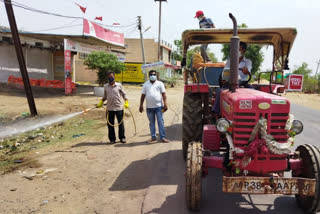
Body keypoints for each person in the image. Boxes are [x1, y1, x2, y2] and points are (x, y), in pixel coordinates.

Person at [212, 42, 252, 114]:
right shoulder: (230, 61)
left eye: (239, 50)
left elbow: (248, 70)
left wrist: (246, 70)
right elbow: (226, 72)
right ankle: (216, 112)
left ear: (244, 51)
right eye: (236, 50)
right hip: (230, 84)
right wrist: (224, 79)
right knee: (219, 91)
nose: (238, 52)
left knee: (253, 91)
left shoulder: (248, 62)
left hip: (243, 83)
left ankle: (251, 112)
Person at [97, 71, 129, 144]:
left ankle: (122, 138)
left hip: (119, 108)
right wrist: (100, 103)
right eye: (109, 76)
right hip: (109, 108)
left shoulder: (119, 85)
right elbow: (105, 96)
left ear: (114, 76)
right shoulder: (106, 86)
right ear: (107, 77)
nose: (110, 77)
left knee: (121, 124)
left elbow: (124, 94)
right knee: (110, 124)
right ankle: (112, 139)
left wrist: (126, 102)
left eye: (112, 76)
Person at [139, 70, 169, 143]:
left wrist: (165, 104)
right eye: (151, 75)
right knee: (151, 123)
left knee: (160, 122)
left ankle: (162, 137)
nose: (153, 76)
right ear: (149, 76)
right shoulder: (146, 84)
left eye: (154, 74)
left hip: (159, 107)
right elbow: (143, 95)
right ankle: (153, 137)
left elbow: (164, 94)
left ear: (156, 75)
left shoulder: (160, 84)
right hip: (149, 108)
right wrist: (141, 105)